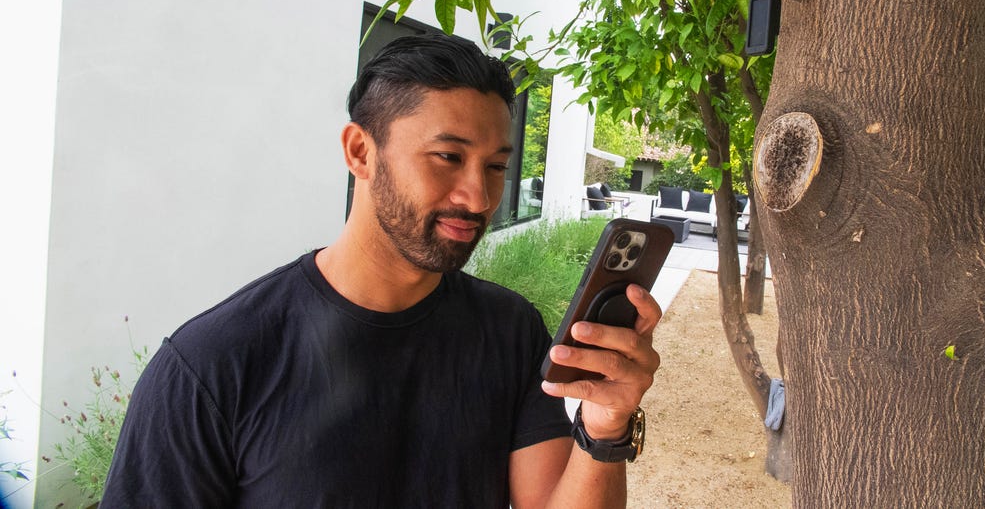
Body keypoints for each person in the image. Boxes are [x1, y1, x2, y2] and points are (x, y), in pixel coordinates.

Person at [101, 34, 662, 507]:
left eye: (496, 167)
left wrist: (606, 426)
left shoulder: (509, 331)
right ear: (360, 152)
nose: (478, 196)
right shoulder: (211, 366)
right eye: (448, 157)